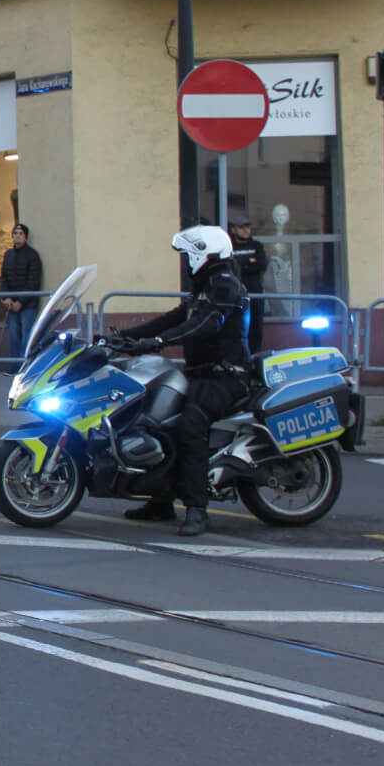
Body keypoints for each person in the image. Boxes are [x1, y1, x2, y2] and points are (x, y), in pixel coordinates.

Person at [112, 225, 251, 538]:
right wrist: (125, 337)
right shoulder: (205, 287)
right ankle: (161, 501)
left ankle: (197, 508)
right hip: (200, 373)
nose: (187, 261)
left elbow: (203, 325)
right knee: (156, 419)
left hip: (225, 376)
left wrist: (158, 342)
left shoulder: (225, 286)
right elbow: (174, 319)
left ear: (204, 253)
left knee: (190, 425)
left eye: (189, 255)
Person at [0, 223, 44, 362]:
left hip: (28, 305)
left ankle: (25, 366)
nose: (17, 236)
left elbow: (33, 281)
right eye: (15, 233)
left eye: (21, 233)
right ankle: (15, 366)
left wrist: (20, 301)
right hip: (11, 304)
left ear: (25, 237)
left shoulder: (32, 255)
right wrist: (6, 297)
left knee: (26, 337)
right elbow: (3, 278)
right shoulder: (8, 255)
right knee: (14, 337)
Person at [229, 213, 268, 355]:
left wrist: (241, 264)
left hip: (255, 294)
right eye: (241, 227)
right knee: (235, 325)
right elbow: (230, 267)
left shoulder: (256, 246)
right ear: (234, 230)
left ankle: (254, 355)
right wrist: (249, 262)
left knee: (255, 326)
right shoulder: (229, 247)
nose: (246, 230)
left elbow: (262, 265)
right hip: (235, 294)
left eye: (247, 227)